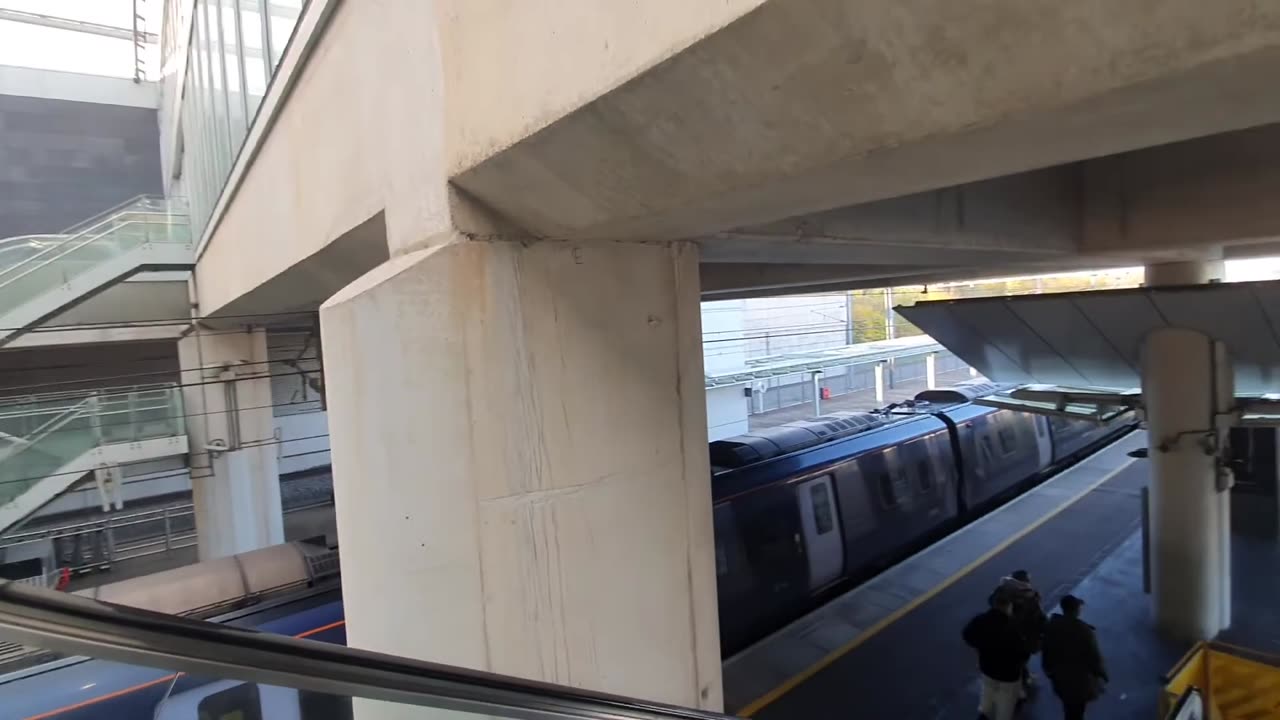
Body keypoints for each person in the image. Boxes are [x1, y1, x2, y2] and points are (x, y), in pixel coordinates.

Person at [963, 594, 1030, 720]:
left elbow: (967, 635)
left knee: (988, 693)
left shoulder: (980, 620)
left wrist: (980, 648)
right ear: (1008, 606)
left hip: (987, 667)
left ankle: (985, 714)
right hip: (1009, 674)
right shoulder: (1012, 626)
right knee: (1005, 704)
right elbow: (1023, 653)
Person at [1042, 595, 1108, 720]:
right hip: (1079, 680)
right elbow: (1094, 658)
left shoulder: (1051, 626)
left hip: (1059, 678)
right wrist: (1103, 675)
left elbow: (1046, 652)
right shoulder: (1084, 631)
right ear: (1076, 609)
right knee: (1077, 710)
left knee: (1068, 707)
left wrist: (1049, 671)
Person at [992, 569, 1048, 689]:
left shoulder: (1002, 590)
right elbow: (1038, 614)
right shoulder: (1030, 595)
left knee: (1015, 656)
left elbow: (992, 602)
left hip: (1006, 631)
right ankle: (1022, 680)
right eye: (1028, 579)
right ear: (1023, 581)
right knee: (1022, 656)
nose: (1029, 581)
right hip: (1024, 632)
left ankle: (1023, 676)